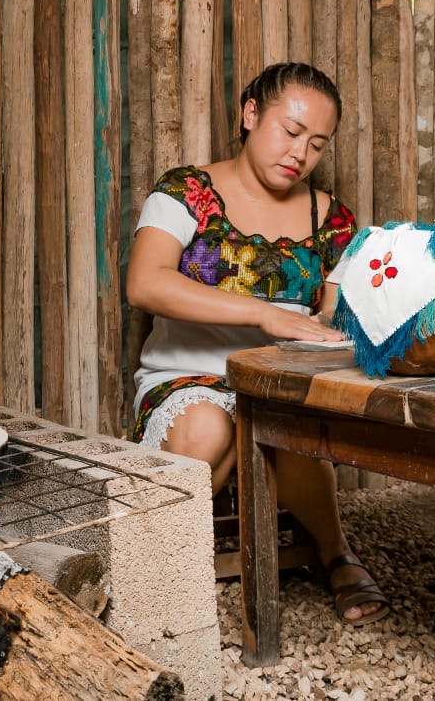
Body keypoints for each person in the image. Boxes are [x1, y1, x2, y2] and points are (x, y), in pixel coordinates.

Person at [125, 62, 388, 626]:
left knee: (287, 429)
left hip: (279, 379)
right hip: (185, 374)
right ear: (250, 114)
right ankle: (153, 575)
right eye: (290, 132)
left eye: (317, 144)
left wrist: (339, 320)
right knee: (207, 423)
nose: (301, 153)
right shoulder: (185, 191)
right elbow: (145, 283)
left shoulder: (334, 221)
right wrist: (265, 314)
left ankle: (334, 551)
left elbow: (328, 317)